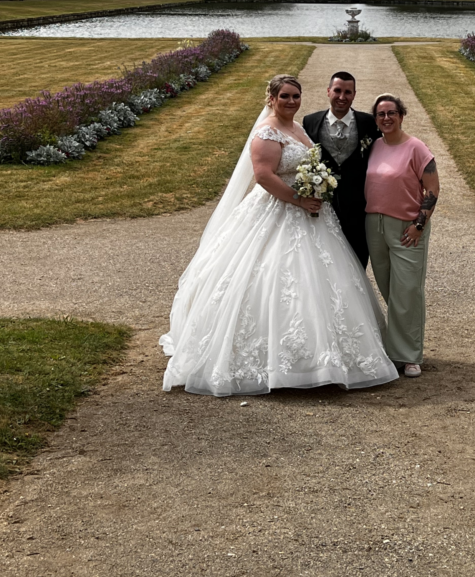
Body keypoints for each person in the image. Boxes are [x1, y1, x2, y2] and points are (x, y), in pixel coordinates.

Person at [160, 74, 398, 397]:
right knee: (272, 277)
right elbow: (263, 176)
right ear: (271, 98)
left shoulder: (299, 128)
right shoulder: (266, 131)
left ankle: (325, 358)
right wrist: (298, 199)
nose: (291, 101)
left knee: (324, 283)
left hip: (312, 215)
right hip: (276, 210)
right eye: (284, 96)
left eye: (295, 96)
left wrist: (315, 189)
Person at [365, 94, 440, 379]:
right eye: (381, 114)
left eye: (391, 113)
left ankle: (409, 356)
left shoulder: (416, 148)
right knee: (389, 288)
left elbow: (432, 190)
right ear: (376, 119)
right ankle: (396, 348)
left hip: (407, 228)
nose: (386, 118)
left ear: (401, 115)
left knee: (407, 290)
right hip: (374, 225)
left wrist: (419, 224)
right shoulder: (374, 146)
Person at [303, 72, 380, 267]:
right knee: (322, 260)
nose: (342, 97)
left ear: (354, 94)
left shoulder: (368, 123)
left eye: (348, 92)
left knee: (358, 258)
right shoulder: (309, 122)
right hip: (323, 205)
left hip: (358, 205)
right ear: (328, 91)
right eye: (337, 91)